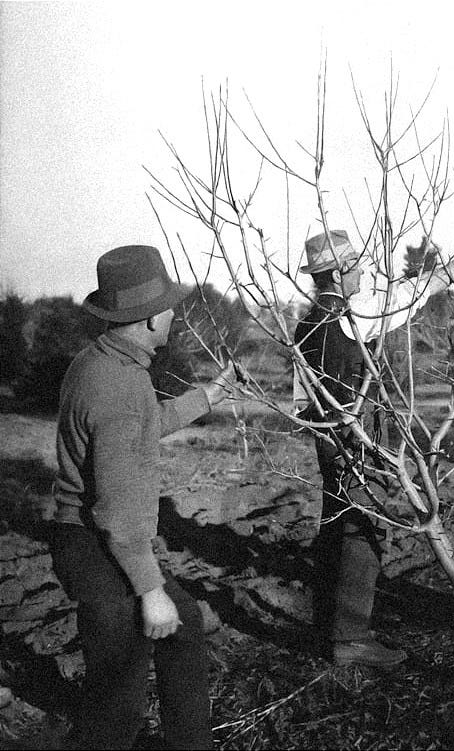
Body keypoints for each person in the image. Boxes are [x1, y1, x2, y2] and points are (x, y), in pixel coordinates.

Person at [51, 244, 239, 749]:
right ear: (154, 319)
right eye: (172, 305)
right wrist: (150, 591)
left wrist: (204, 398)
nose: (176, 312)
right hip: (95, 542)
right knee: (120, 696)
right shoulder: (118, 386)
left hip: (89, 534)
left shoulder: (100, 362)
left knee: (184, 629)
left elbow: (138, 427)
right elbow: (116, 510)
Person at [293, 229, 454, 667]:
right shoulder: (351, 318)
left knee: (336, 524)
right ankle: (351, 638)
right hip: (351, 437)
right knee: (363, 529)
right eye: (356, 266)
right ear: (340, 273)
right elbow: (422, 286)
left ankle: (330, 628)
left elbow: (303, 398)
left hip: (328, 434)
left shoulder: (308, 323)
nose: (364, 271)